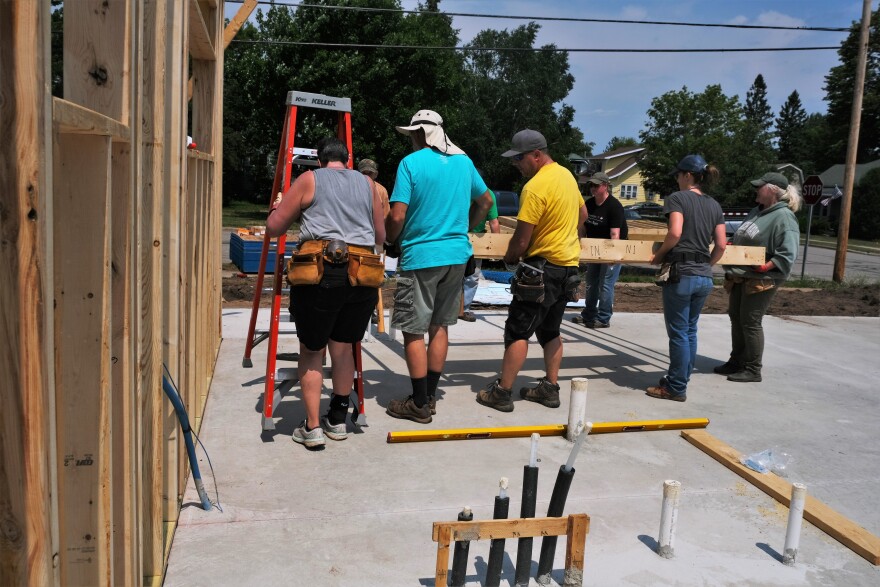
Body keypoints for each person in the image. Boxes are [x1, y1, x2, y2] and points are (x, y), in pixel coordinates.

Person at [266, 137, 385, 449]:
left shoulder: (309, 179)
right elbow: (381, 235)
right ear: (346, 161)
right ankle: (337, 419)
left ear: (319, 161)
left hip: (322, 273)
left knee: (312, 350)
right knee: (343, 348)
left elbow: (275, 226)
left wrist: (279, 207)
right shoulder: (367, 184)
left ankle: (313, 427)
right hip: (363, 275)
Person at [385, 109, 493, 423]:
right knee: (439, 326)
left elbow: (396, 216)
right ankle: (429, 396)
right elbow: (485, 202)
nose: (410, 142)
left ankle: (418, 404)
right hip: (457, 256)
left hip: (421, 257)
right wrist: (467, 230)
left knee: (412, 330)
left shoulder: (411, 164)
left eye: (412, 136)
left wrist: (391, 240)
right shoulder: (464, 161)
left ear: (420, 133)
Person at [476, 129, 587, 412]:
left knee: (518, 332)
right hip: (567, 268)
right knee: (550, 330)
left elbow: (522, 240)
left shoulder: (535, 187)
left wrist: (509, 260)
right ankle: (550, 389)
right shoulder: (566, 176)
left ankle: (502, 392)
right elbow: (583, 216)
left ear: (537, 155)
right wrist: (564, 236)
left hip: (541, 270)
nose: (517, 165)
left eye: (520, 159)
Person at [646, 154, 726, 402]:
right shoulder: (714, 205)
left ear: (687, 175)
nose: (677, 180)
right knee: (690, 331)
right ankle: (679, 378)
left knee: (679, 333)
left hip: (682, 274)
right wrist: (705, 265)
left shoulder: (677, 198)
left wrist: (659, 255)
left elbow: (675, 232)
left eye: (678, 175)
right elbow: (721, 245)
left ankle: (676, 387)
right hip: (704, 276)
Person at [715, 172, 802, 383]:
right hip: (741, 275)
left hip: (763, 278)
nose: (756, 189)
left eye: (760, 187)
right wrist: (731, 244)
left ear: (772, 190)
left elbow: (788, 252)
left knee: (750, 321)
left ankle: (753, 369)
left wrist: (767, 266)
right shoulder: (757, 211)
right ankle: (737, 361)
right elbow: (744, 237)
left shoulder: (784, 217)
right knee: (736, 316)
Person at [573, 171, 628, 329]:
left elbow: (615, 233)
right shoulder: (589, 204)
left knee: (605, 283)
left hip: (612, 248)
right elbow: (582, 226)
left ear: (605, 186)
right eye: (591, 185)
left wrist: (613, 256)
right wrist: (582, 245)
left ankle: (603, 318)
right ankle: (589, 314)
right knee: (591, 282)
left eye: (596, 185)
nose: (593, 188)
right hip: (594, 250)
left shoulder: (614, 206)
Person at [460, 188, 501, 322]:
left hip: (477, 239)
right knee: (453, 274)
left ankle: (464, 309)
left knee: (472, 275)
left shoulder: (488, 195)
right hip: (457, 234)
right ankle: (451, 308)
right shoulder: (459, 189)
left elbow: (494, 222)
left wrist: (496, 246)